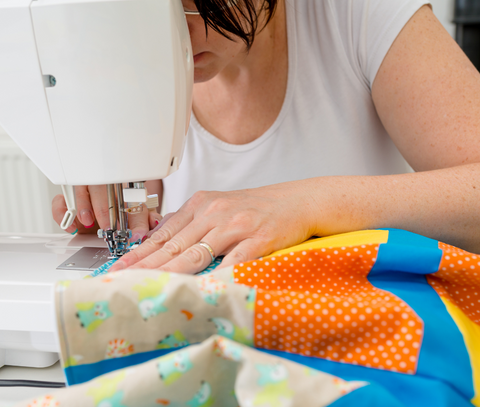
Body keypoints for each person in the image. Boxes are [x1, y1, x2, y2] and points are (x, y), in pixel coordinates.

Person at [52, 0, 480, 275]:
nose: (173, 32)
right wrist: (100, 208)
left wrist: (309, 205)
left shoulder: (359, 14)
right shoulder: (137, 51)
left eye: (193, 4)